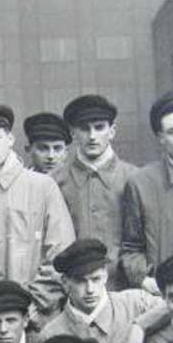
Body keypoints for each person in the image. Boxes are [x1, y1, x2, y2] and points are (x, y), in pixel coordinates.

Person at [0, 104, 75, 333]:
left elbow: (61, 255)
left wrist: (32, 304)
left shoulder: (42, 186)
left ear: (10, 139)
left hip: (31, 319)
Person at [39, 238, 163, 343]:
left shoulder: (135, 303)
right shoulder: (51, 334)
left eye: (95, 279)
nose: (90, 289)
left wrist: (140, 325)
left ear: (105, 275)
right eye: (80, 281)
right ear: (65, 282)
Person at [121, 91, 173, 290]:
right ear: (160, 137)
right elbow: (131, 247)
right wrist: (144, 280)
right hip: (159, 292)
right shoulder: (140, 183)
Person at [55, 94, 140, 289]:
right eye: (84, 129)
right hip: (73, 289)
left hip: (123, 290)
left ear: (112, 131)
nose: (92, 136)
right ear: (73, 133)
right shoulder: (55, 182)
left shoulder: (135, 178)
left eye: (99, 127)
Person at [23, 112, 70, 178]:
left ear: (66, 152)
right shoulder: (18, 181)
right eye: (43, 149)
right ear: (29, 150)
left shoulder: (74, 184)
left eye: (57, 149)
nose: (50, 156)